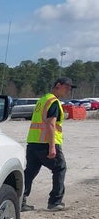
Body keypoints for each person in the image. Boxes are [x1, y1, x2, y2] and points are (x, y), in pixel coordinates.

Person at [21, 77, 76, 212]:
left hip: (34, 142)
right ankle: (55, 202)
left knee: (30, 172)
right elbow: (51, 125)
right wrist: (52, 147)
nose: (68, 91)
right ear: (58, 85)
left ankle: (20, 201)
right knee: (59, 168)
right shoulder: (54, 102)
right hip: (46, 142)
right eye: (67, 87)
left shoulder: (43, 100)